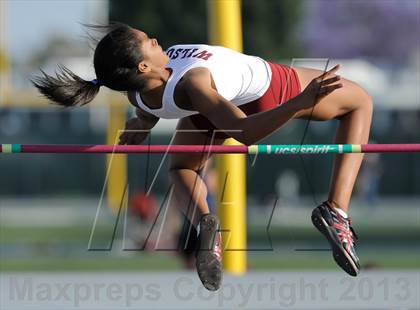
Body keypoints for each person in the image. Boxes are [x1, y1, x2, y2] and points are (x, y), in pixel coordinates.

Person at [32, 23, 373, 291]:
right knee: (360, 102)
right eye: (149, 42)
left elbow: (152, 108)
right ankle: (336, 212)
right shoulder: (193, 81)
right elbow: (244, 134)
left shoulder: (137, 94)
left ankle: (206, 225)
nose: (155, 39)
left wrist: (141, 125)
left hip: (210, 107)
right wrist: (299, 102)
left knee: (183, 168)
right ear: (143, 64)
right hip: (269, 90)